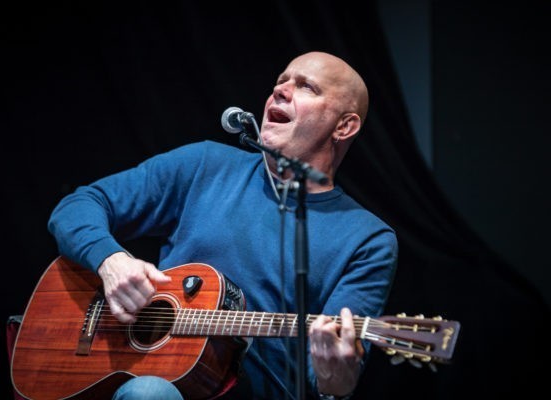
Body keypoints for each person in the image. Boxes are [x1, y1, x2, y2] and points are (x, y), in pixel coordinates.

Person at [48, 51, 398, 400]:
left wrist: (337, 374)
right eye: (281, 82)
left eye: (306, 87)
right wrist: (111, 261)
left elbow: (329, 383)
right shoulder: (205, 165)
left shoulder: (367, 239)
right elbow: (77, 207)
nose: (280, 91)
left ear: (344, 126)